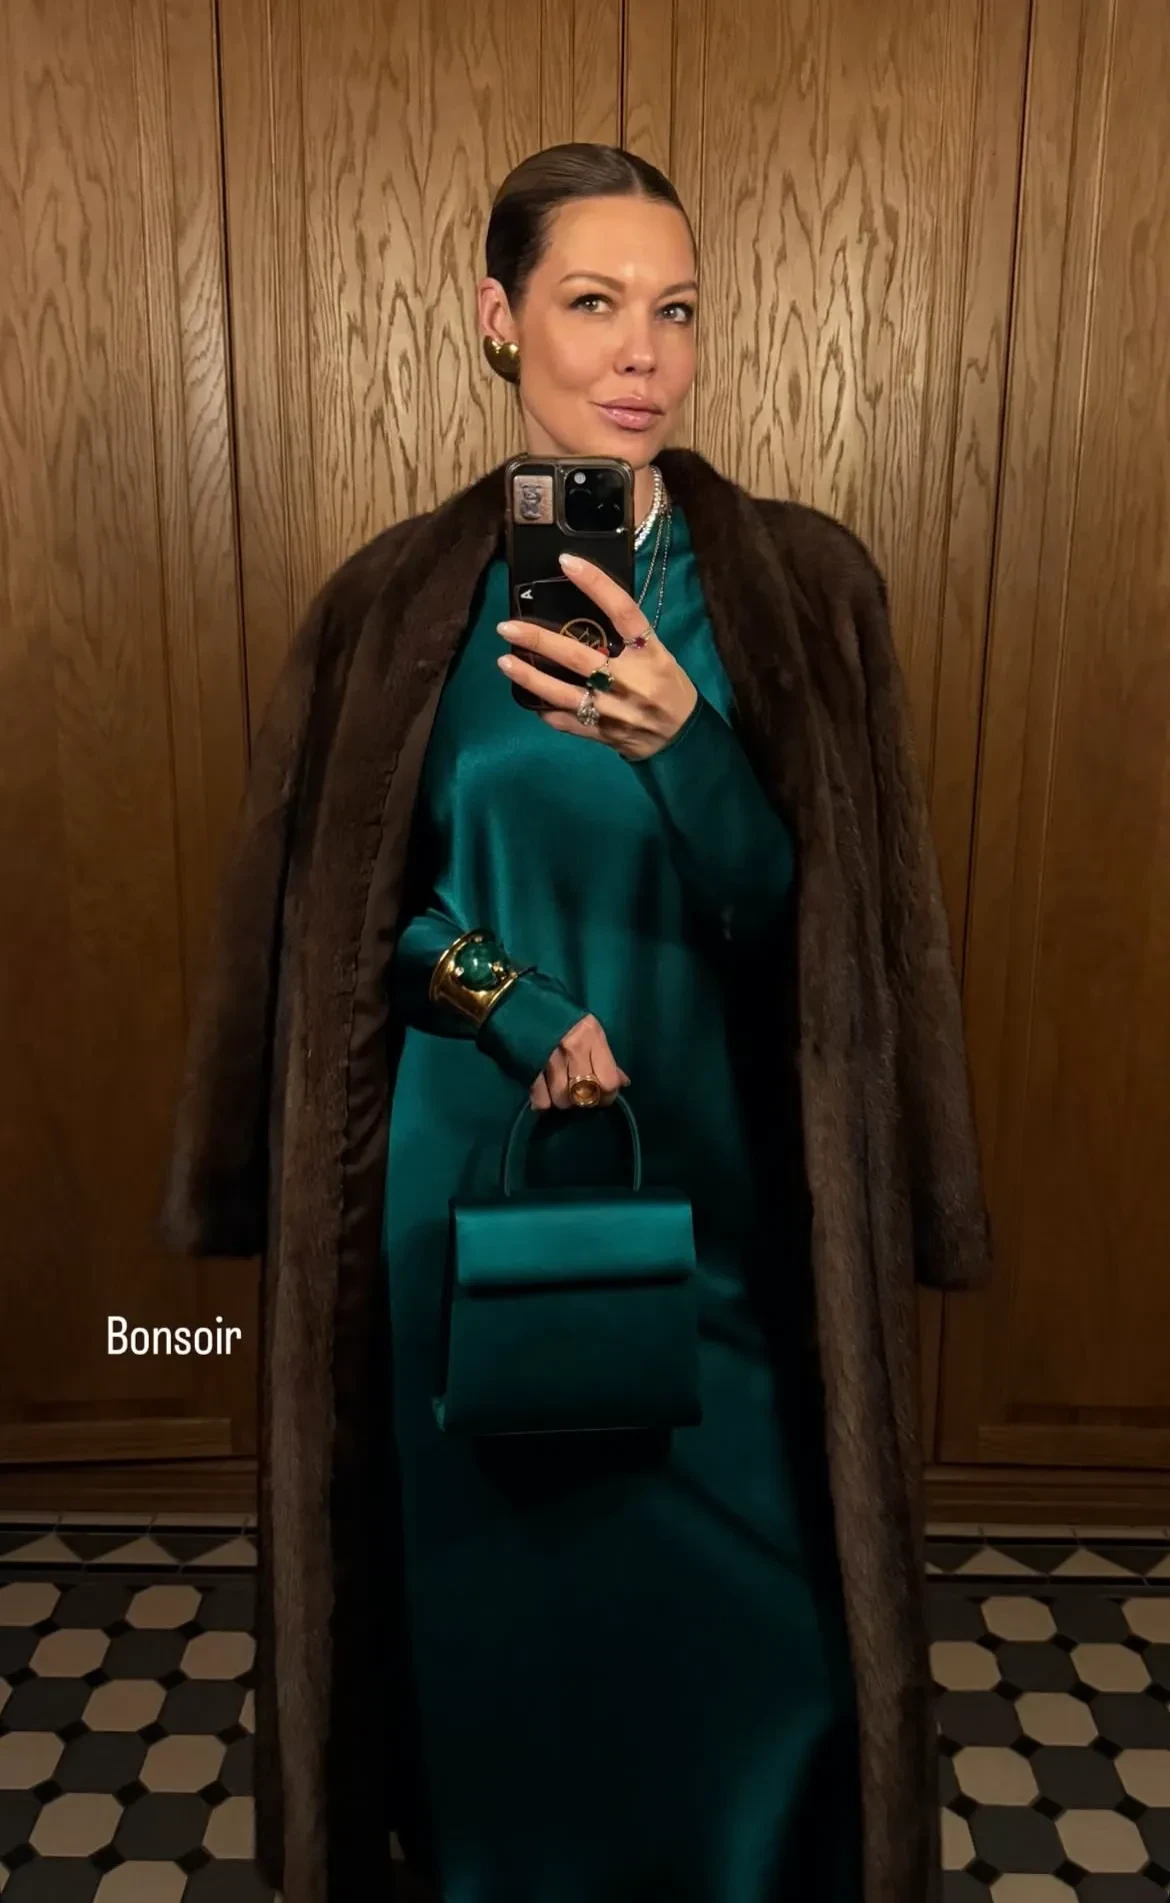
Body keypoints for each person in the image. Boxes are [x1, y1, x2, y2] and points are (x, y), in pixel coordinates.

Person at [161, 144, 992, 1903]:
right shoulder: (388, 604)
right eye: (592, 302)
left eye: (673, 309)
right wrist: (510, 998)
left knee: (760, 1669)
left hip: (727, 1201)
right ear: (498, 317)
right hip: (469, 1209)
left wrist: (688, 749)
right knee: (499, 1674)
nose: (640, 354)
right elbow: (346, 929)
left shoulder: (802, 593)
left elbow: (814, 926)